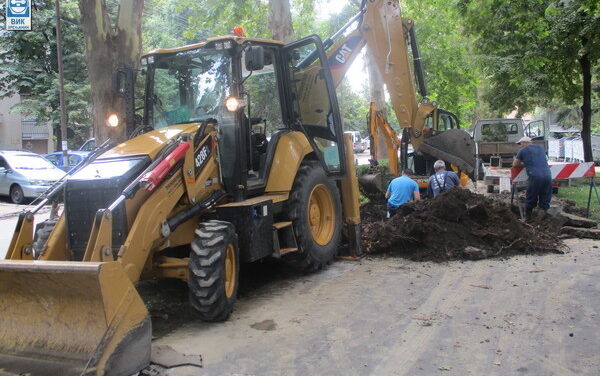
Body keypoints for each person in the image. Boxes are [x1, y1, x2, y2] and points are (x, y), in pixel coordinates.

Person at [512, 136, 552, 218]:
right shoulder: (540, 148)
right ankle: (543, 217)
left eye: (520, 144)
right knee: (545, 197)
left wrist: (524, 163)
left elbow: (515, 164)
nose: (520, 146)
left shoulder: (523, 150)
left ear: (525, 143)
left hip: (535, 176)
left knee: (531, 196)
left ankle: (528, 217)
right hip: (548, 175)